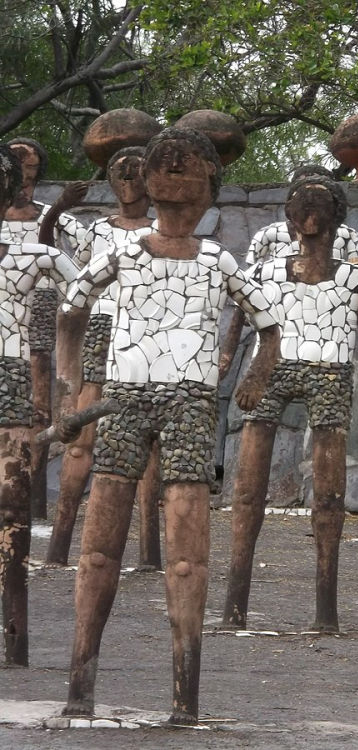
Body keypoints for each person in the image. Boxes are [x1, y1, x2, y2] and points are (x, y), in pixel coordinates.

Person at [54, 127, 281, 725]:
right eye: (166, 169)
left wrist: (255, 380)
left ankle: (186, 696)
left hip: (191, 403)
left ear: (211, 184)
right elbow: (73, 309)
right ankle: (80, 683)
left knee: (185, 550)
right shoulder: (124, 254)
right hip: (126, 399)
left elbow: (269, 328)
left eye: (190, 171)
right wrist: (71, 382)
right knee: (99, 548)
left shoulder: (218, 261)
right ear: (149, 182)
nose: (176, 182)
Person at [221, 176, 358, 631]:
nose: (311, 214)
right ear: (290, 217)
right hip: (271, 369)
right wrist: (228, 355)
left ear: (339, 217)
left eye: (321, 205)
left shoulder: (354, 275)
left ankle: (325, 609)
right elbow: (243, 309)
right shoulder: (268, 270)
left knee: (329, 488)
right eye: (302, 205)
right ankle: (234, 601)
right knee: (248, 481)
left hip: (329, 371)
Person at [45, 146, 160, 568]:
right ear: (110, 181)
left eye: (136, 174)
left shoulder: (166, 228)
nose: (128, 183)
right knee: (81, 439)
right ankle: (59, 546)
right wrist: (57, 210)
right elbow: (67, 277)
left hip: (149, 334)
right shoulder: (95, 231)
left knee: (149, 441)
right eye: (120, 174)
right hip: (100, 328)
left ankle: (150, 551)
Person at [0, 143, 78, 666]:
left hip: (11, 372)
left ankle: (13, 633)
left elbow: (87, 301)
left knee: (10, 508)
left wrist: (70, 376)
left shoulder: (41, 253)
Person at [2, 137, 87, 518]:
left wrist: (56, 213)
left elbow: (70, 257)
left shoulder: (54, 216)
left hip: (39, 305)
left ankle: (32, 498)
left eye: (30, 167)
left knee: (37, 403)